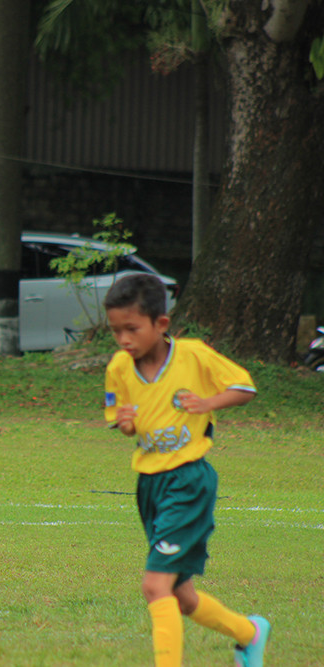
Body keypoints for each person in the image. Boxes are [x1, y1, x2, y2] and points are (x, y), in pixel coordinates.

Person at [102, 273, 269, 667]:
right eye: (115, 331)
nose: (124, 339)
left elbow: (245, 389)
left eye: (132, 329)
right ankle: (250, 633)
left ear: (160, 324)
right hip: (149, 485)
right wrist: (125, 422)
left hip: (188, 481)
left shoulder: (192, 355)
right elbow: (122, 421)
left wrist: (209, 402)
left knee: (154, 585)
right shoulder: (119, 367)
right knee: (181, 595)